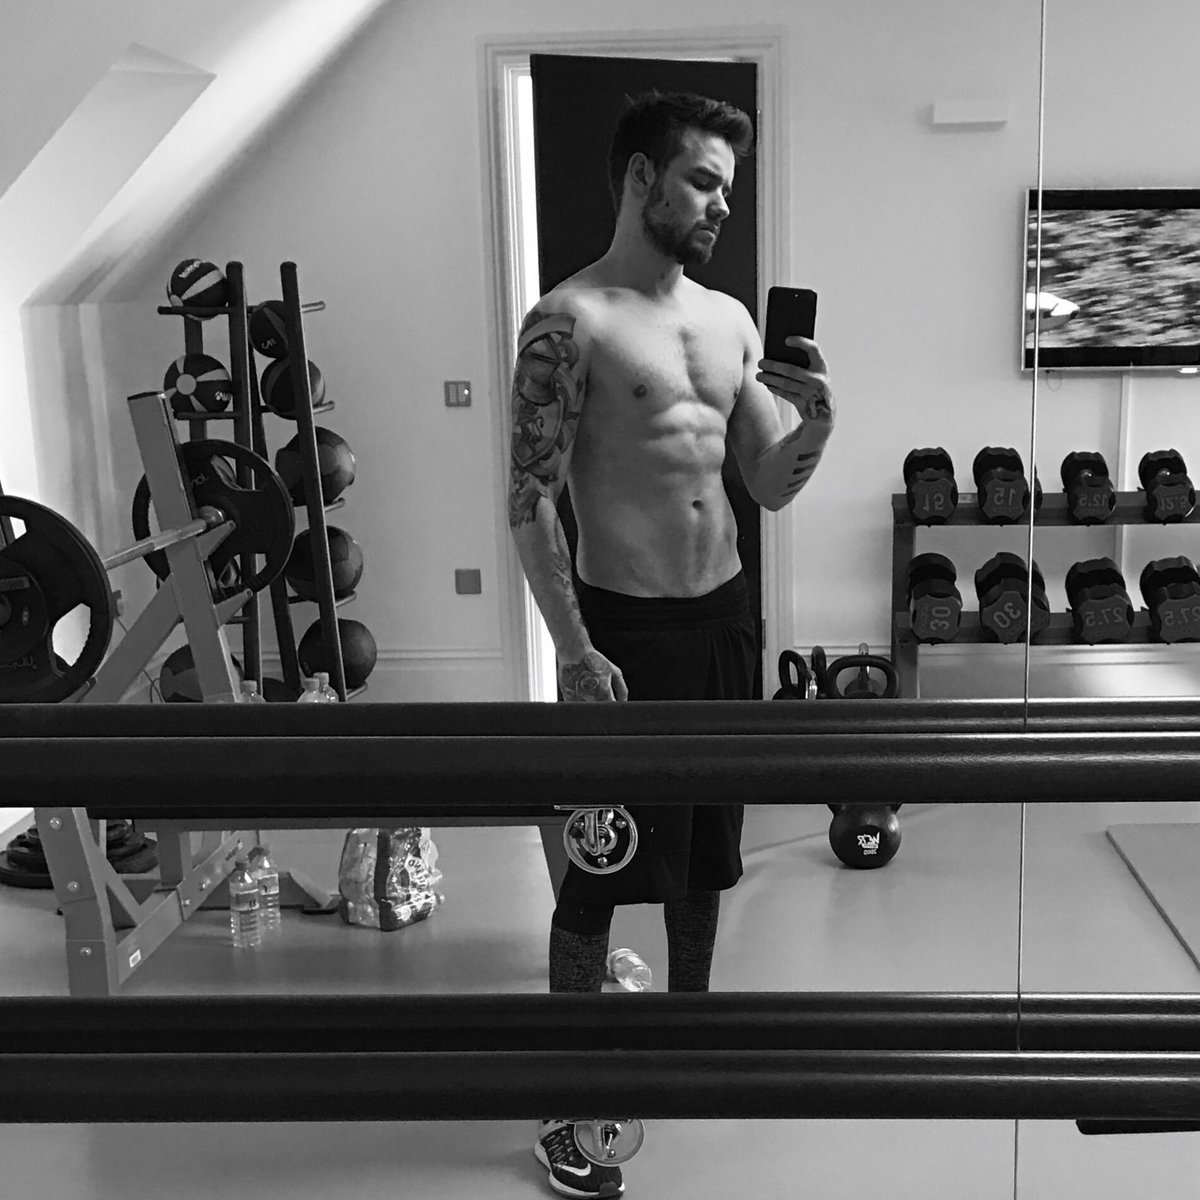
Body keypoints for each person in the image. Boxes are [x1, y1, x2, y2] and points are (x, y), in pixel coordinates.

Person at [507, 90, 836, 1199]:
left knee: (705, 857)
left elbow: (764, 486)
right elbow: (530, 500)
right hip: (623, 636)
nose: (720, 206)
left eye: (728, 189)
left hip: (723, 621)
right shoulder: (570, 322)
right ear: (642, 178)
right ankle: (567, 1098)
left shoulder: (732, 320)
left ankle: (685, 1032)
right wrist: (573, 647)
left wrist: (821, 421)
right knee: (596, 874)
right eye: (702, 181)